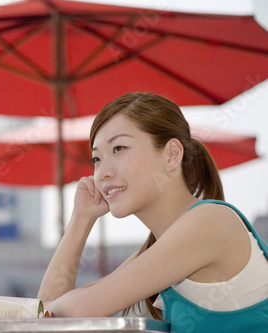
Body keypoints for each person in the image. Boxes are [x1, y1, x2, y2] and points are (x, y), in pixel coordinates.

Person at [37, 92, 268, 332]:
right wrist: (81, 218)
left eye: (119, 148)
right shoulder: (154, 250)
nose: (102, 172)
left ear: (172, 155)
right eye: (96, 158)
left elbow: (73, 310)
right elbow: (42, 317)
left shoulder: (211, 221)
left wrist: (53, 310)